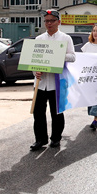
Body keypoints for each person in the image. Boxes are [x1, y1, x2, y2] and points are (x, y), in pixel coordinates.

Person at [30, 10, 76, 151]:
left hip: (57, 83)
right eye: (46, 21)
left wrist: (56, 56)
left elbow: (72, 57)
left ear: (58, 22)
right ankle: (40, 140)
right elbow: (34, 60)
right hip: (41, 83)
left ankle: (56, 138)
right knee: (38, 113)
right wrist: (35, 72)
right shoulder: (39, 40)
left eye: (52, 21)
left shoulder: (65, 38)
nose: (49, 23)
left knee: (56, 113)